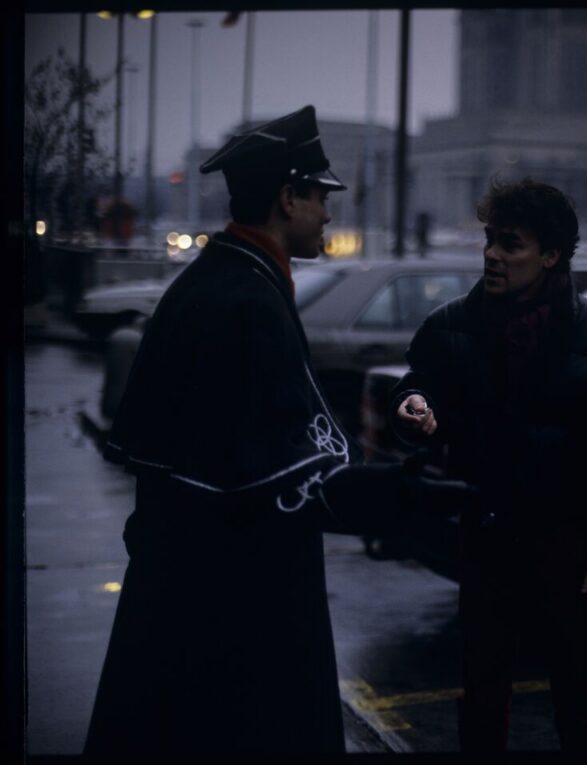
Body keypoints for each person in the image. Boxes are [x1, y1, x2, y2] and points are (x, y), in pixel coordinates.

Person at [85, 105, 422, 754]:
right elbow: (281, 472)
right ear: (287, 197)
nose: (329, 213)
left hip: (185, 586)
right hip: (235, 598)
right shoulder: (246, 299)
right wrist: (405, 491)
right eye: (320, 196)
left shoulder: (222, 279)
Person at [390, 178, 587, 752]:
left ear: (551, 254)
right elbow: (418, 386)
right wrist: (411, 407)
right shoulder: (453, 327)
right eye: (489, 240)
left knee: (581, 691)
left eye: (509, 244)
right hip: (487, 534)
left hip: (571, 543)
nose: (491, 254)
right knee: (481, 690)